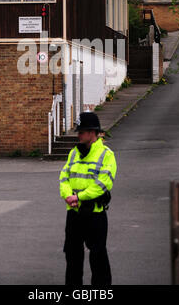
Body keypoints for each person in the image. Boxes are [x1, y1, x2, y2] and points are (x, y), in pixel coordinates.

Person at [59, 112, 117, 285]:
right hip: (74, 213)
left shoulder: (107, 155)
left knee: (98, 257)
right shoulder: (74, 153)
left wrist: (79, 197)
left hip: (94, 214)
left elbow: (103, 183)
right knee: (72, 256)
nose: (78, 135)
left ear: (93, 132)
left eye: (81, 131)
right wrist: (68, 195)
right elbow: (64, 176)